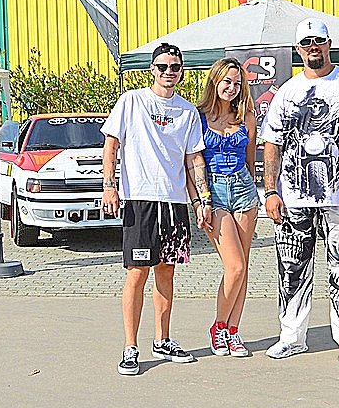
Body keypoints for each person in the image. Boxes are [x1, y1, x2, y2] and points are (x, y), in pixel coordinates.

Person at [261, 18, 339, 362]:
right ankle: (291, 336)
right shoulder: (287, 92)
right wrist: (271, 191)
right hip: (294, 197)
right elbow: (272, 142)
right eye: (306, 42)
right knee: (291, 268)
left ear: (328, 44)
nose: (312, 47)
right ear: (298, 49)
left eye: (318, 40)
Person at [102, 43, 211, 376]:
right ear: (152, 69)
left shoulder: (188, 112)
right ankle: (130, 347)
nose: (168, 72)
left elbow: (193, 159)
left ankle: (162, 340)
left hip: (174, 203)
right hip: (140, 201)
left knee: (166, 271)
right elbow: (111, 145)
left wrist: (201, 200)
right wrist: (109, 186)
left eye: (174, 67)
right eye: (163, 66)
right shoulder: (132, 101)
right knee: (137, 273)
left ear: (181, 71)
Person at [187, 58, 260, 358]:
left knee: (244, 267)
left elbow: (251, 158)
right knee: (235, 265)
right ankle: (218, 326)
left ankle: (233, 330)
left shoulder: (246, 116)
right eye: (227, 81)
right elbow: (191, 162)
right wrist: (199, 201)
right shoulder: (197, 117)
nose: (232, 88)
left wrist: (256, 192)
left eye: (237, 83)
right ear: (215, 81)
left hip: (243, 190)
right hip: (213, 192)